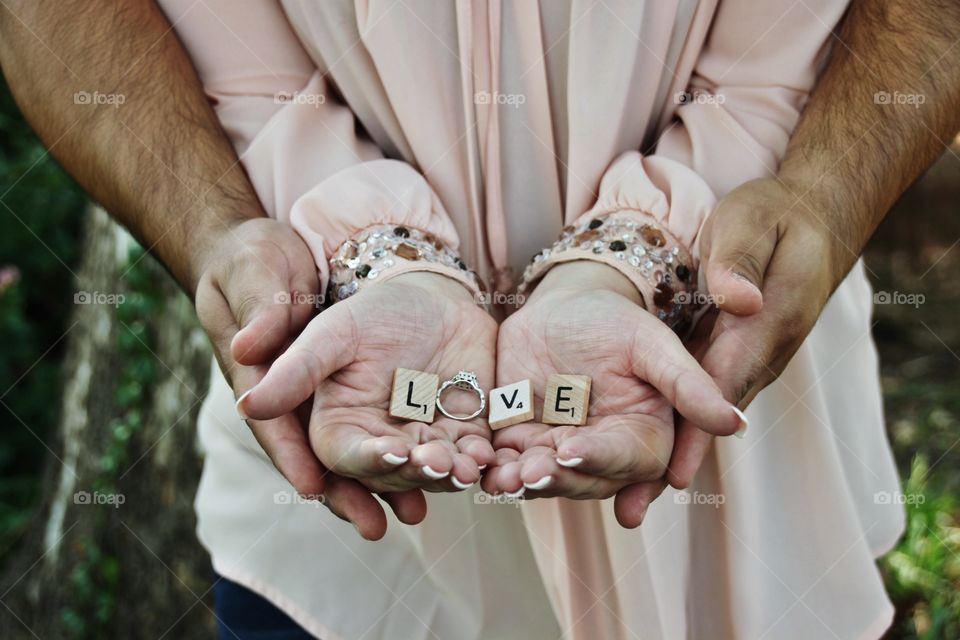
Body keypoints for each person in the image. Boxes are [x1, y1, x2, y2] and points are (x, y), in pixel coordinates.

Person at [2, 0, 958, 638]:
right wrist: (350, 257)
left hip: (749, 516)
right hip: (343, 557)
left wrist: (644, 256)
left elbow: (775, 67)